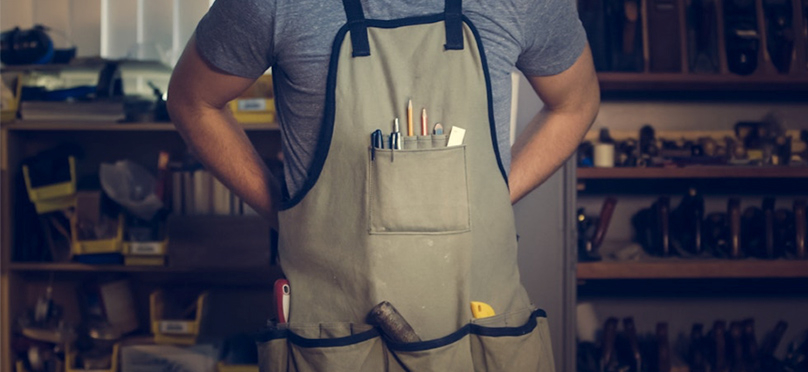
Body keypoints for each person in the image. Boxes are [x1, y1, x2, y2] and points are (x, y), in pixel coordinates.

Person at [167, 0, 599, 370]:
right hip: (336, 348)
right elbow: (192, 100)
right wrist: (292, 213)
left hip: (483, 341)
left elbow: (576, 102)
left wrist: (489, 201)